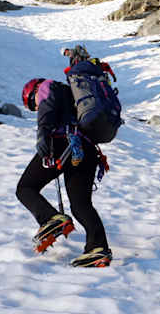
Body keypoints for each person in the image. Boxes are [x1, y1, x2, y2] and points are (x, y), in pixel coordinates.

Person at [17, 77, 112, 268]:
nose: (35, 108)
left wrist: (42, 134)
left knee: (25, 187)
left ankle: (51, 219)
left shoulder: (47, 86)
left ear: (33, 92)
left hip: (62, 143)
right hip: (87, 150)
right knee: (80, 205)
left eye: (32, 104)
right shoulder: (74, 97)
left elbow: (46, 107)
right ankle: (98, 248)